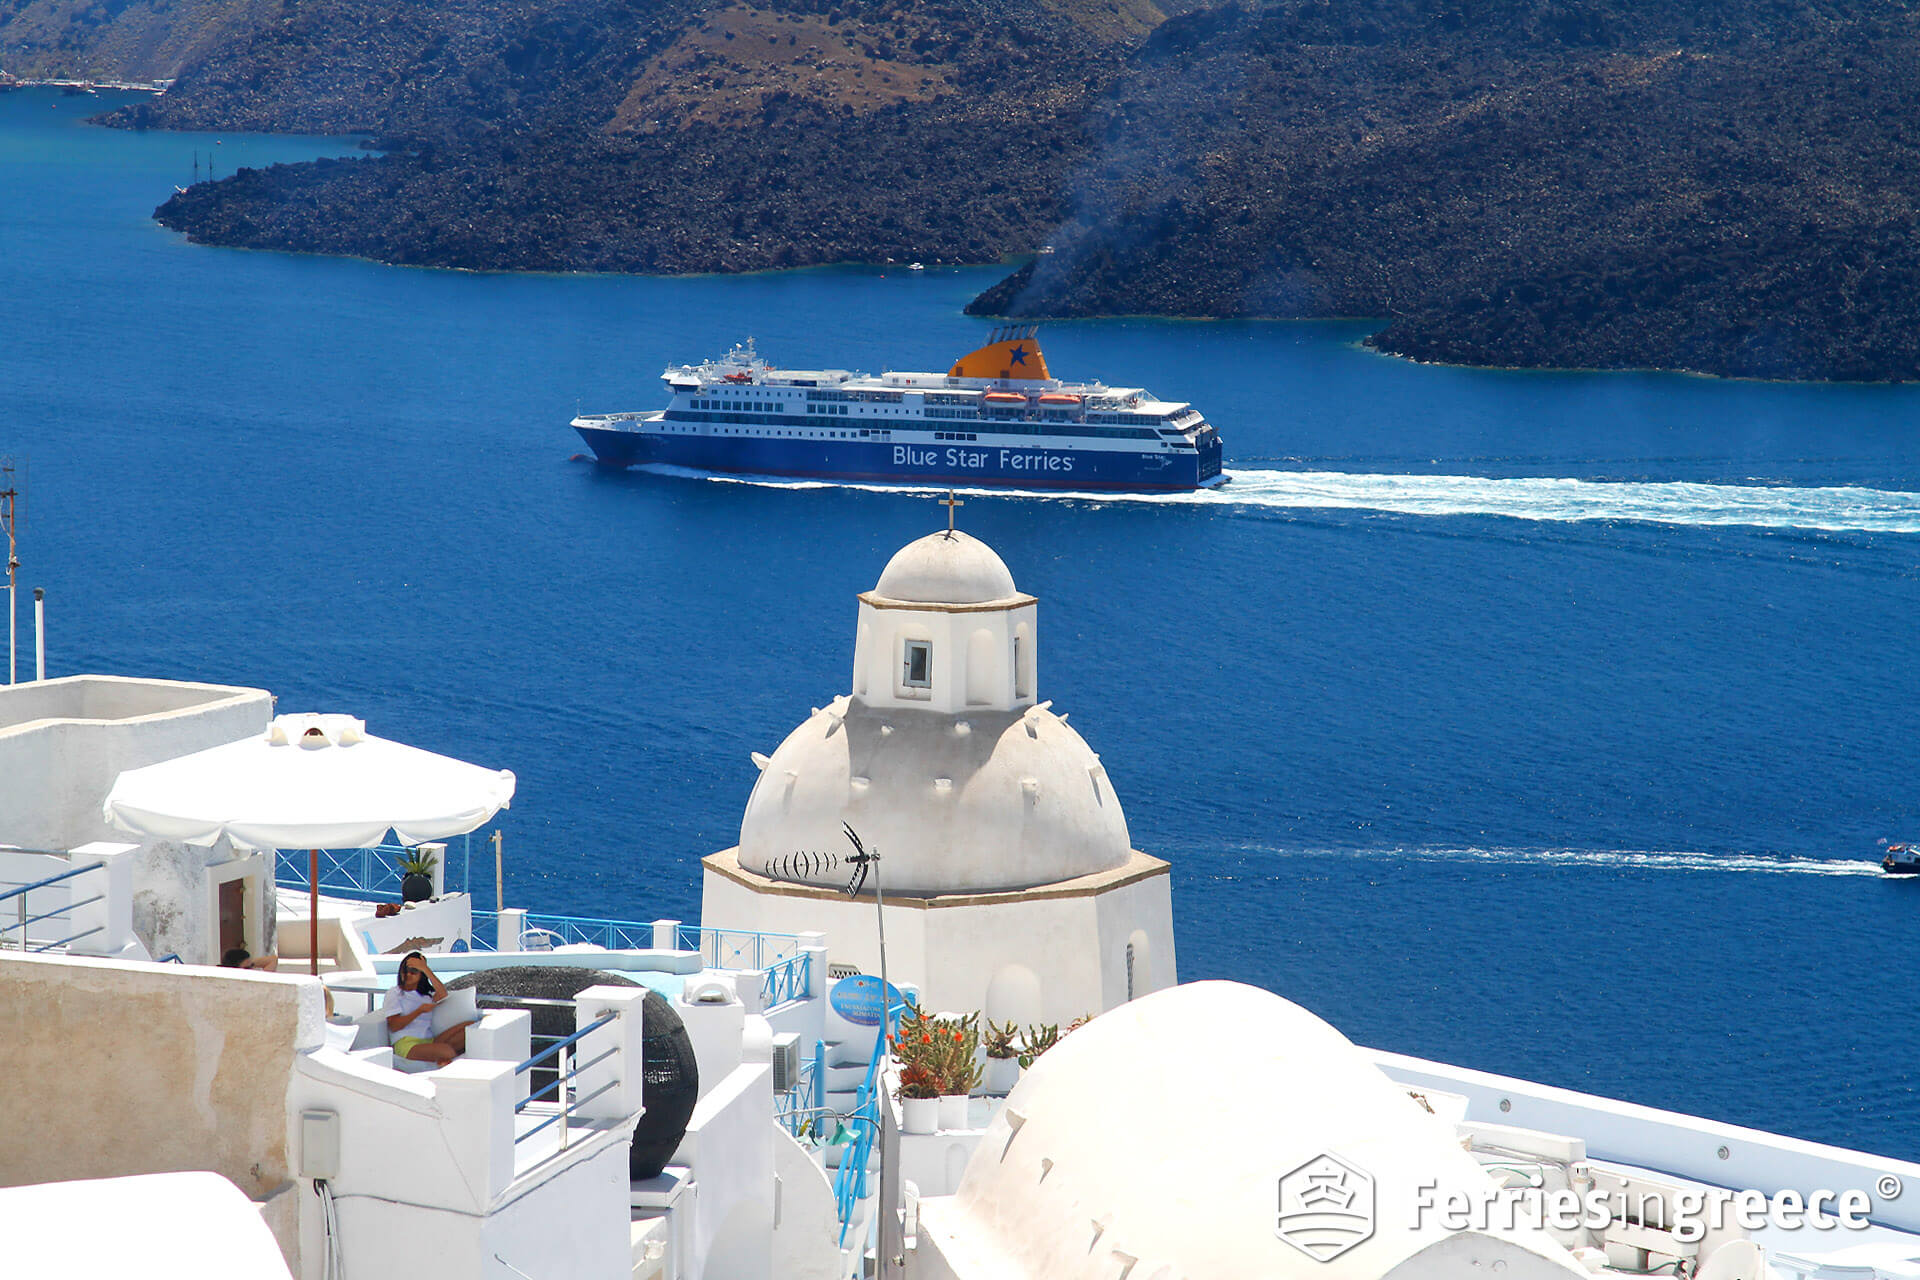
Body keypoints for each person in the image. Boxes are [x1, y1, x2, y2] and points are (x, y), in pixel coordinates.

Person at [380, 951, 473, 1066]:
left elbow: (443, 993)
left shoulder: (426, 995)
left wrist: (425, 968)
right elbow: (394, 1026)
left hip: (429, 1040)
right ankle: (443, 1056)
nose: (408, 974)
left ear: (421, 974)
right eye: (405, 970)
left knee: (470, 1028)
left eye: (414, 971)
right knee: (447, 1051)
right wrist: (419, 1011)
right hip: (406, 1043)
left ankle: (441, 1057)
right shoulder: (395, 993)